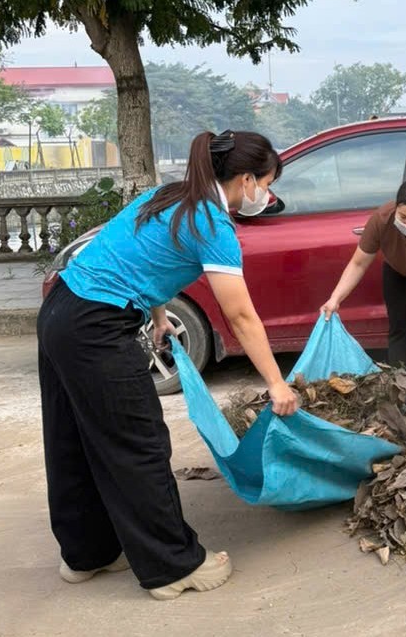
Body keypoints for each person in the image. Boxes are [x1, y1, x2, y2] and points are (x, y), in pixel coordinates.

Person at [37, 130, 300, 600]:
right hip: (96, 324)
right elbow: (240, 315)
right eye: (267, 183)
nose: (268, 195)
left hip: (62, 307)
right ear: (246, 179)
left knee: (72, 437)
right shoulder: (214, 225)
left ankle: (86, 554)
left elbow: (138, 254)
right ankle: (173, 568)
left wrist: (159, 316)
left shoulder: (168, 195)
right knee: (140, 443)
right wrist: (277, 384)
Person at [321, 179, 406, 368]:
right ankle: (401, 377)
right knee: (400, 327)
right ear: (395, 208)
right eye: (403, 217)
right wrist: (335, 298)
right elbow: (358, 263)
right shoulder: (381, 219)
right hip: (397, 272)